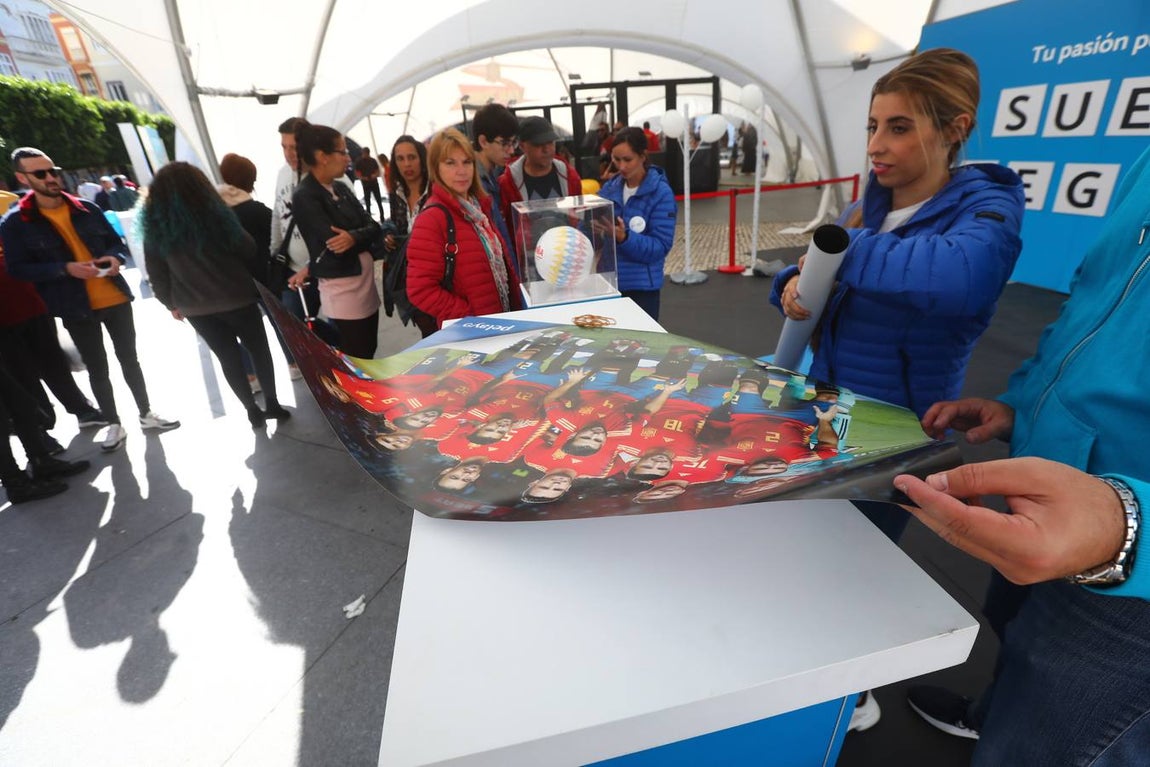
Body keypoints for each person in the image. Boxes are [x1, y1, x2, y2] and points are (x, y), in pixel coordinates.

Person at [768, 46, 1024, 730]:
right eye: (873, 126)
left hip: (896, 432)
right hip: (824, 412)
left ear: (954, 128)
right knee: (807, 557)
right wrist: (792, 284)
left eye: (900, 127)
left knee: (856, 570)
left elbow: (958, 277)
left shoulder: (989, 209)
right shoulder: (867, 208)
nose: (877, 144)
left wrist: (834, 251)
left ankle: (851, 696)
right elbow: (817, 281)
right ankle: (812, 676)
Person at [893, 143, 1150, 765]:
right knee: (1014, 642)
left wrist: (1127, 530)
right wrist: (1025, 405)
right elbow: (1090, 308)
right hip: (1042, 487)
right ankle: (990, 715)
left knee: (1049, 739)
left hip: (1129, 588)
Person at [1, 147, 179, 453]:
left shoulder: (86, 208)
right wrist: (64, 268)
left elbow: (115, 242)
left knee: (130, 359)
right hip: (74, 305)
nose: (51, 178)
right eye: (41, 173)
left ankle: (146, 412)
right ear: (23, 178)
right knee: (97, 368)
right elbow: (18, 269)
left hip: (114, 296)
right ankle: (113, 423)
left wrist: (114, 257)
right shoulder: (16, 223)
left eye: (53, 171)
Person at [141, 162, 289, 428]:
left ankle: (251, 410)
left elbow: (156, 273)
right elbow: (248, 248)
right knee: (259, 350)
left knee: (228, 358)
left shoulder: (154, 228)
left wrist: (170, 304)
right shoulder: (216, 215)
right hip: (238, 297)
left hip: (195, 308)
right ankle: (272, 403)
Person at [406, 127, 521, 329]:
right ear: (436, 168)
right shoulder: (432, 218)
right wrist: (468, 317)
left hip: (501, 324)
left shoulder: (478, 208)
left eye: (467, 162)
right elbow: (420, 290)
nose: (461, 171)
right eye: (450, 163)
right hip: (472, 333)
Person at [289, 123, 382, 359]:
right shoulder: (305, 195)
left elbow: (374, 227)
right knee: (357, 357)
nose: (348, 158)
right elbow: (335, 245)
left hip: (364, 285)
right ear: (323, 157)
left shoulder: (340, 187)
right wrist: (359, 235)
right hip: (342, 290)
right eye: (342, 152)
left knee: (368, 350)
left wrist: (353, 236)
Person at [217, 151, 296, 391]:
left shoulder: (215, 213)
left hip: (233, 284)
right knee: (280, 323)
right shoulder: (257, 210)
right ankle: (294, 364)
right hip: (266, 277)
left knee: (244, 333)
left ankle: (252, 377)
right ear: (250, 180)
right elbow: (279, 239)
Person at [269, 116, 339, 357]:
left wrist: (312, 267)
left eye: (294, 147)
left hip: (330, 269)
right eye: (284, 147)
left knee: (342, 333)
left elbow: (343, 227)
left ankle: (342, 363)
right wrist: (275, 251)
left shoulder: (331, 175)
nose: (289, 154)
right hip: (294, 270)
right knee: (294, 327)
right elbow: (278, 214)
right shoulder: (282, 174)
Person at [597, 127, 677, 321]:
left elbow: (660, 247)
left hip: (642, 289)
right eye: (616, 160)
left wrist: (624, 238)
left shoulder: (661, 194)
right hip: (609, 285)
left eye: (628, 159)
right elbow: (592, 224)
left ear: (643, 156)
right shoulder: (610, 188)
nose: (621, 166)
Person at [497, 116, 582, 252]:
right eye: (538, 144)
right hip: (528, 256)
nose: (547, 149)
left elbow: (580, 217)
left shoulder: (570, 176)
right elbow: (508, 228)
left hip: (567, 252)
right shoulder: (508, 183)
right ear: (523, 146)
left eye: (551, 143)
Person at [385, 134, 436, 337]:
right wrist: (390, 236)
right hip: (411, 276)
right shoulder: (396, 194)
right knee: (427, 331)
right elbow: (397, 226)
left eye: (412, 157)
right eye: (400, 158)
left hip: (437, 273)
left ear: (421, 159)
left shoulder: (435, 189)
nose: (407, 164)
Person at [470, 103, 519, 268]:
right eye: (504, 143)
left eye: (513, 143)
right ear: (483, 141)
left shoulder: (493, 175)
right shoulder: (472, 184)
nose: (511, 150)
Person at [354, 147, 385, 220]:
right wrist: (363, 178)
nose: (365, 155)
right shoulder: (359, 162)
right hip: (365, 184)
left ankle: (382, 217)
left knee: (379, 201)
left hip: (374, 183)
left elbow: (377, 171)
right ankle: (369, 218)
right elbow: (357, 173)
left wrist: (374, 175)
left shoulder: (373, 160)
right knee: (367, 202)